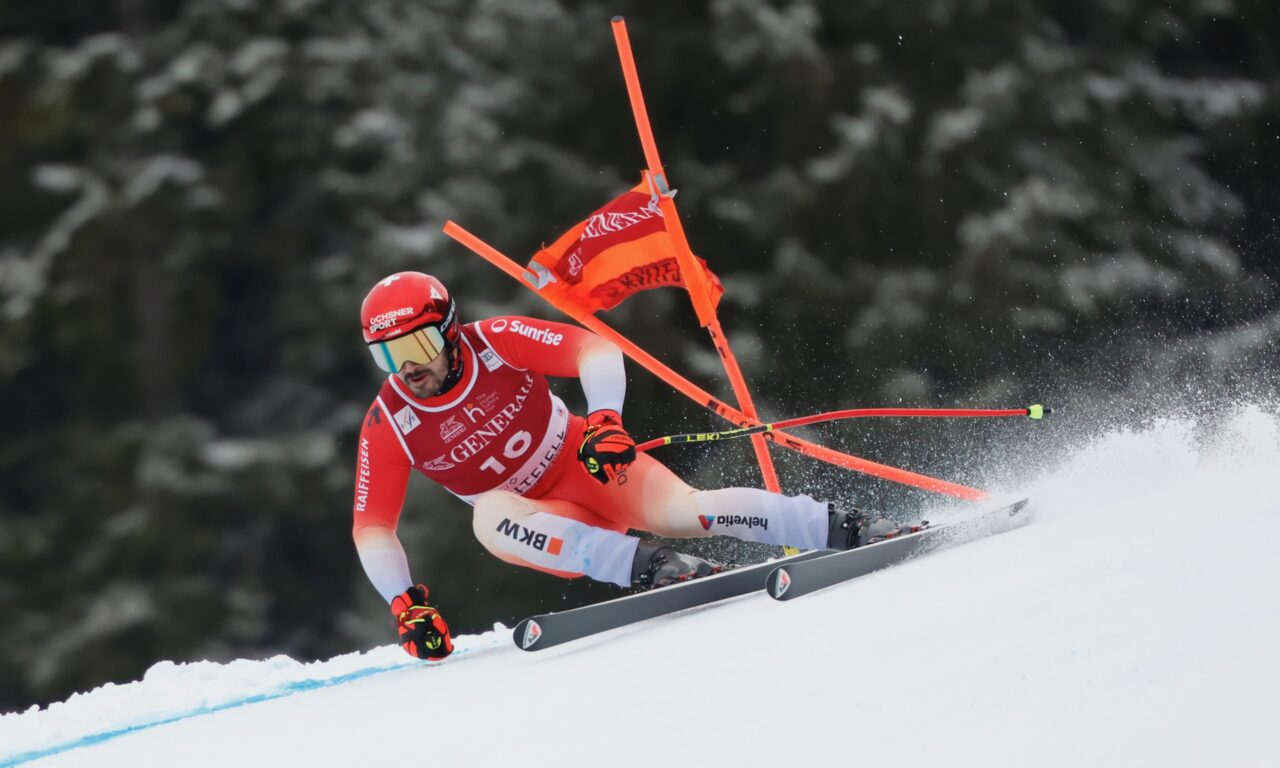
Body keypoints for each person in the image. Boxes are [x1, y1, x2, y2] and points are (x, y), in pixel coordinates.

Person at [352, 271, 911, 659]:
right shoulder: (390, 420)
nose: (406, 368)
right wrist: (404, 606)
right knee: (488, 515)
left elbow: (592, 350)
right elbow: (371, 526)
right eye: (386, 355)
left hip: (587, 466)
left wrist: (604, 422)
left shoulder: (494, 342)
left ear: (448, 331)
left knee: (683, 511)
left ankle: (842, 525)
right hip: (548, 528)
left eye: (416, 346)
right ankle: (650, 566)